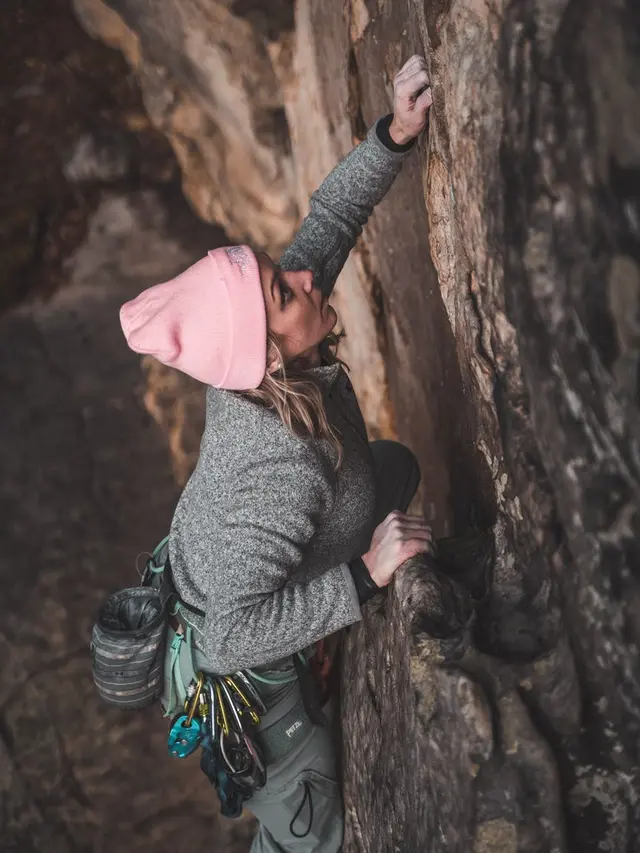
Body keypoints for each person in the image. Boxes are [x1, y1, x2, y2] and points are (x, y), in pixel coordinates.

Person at [120, 54, 434, 853]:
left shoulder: (270, 345)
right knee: (316, 834)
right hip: (246, 688)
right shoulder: (275, 466)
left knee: (392, 471)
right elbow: (227, 637)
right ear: (265, 353)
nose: (300, 276)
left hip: (243, 571)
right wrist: (365, 576)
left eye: (276, 273)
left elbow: (326, 223)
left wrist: (393, 134)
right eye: (282, 290)